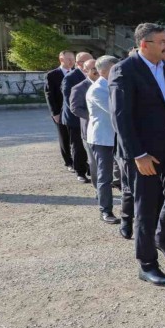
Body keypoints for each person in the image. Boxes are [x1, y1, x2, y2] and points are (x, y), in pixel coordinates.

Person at [109, 23, 165, 286]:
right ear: (145, 44)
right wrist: (138, 154)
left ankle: (162, 238)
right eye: (162, 41)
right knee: (147, 206)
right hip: (144, 151)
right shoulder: (124, 70)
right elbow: (120, 117)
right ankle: (147, 264)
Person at [87, 55, 121, 224]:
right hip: (102, 139)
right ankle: (105, 210)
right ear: (103, 71)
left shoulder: (114, 85)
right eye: (115, 69)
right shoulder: (97, 90)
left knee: (123, 174)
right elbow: (115, 111)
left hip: (117, 136)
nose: (119, 72)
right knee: (105, 177)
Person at [62, 52, 94, 183]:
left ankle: (92, 169)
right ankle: (80, 172)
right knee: (78, 145)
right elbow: (70, 101)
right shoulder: (71, 78)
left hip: (92, 118)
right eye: (88, 62)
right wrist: (87, 115)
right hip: (76, 118)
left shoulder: (97, 76)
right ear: (80, 64)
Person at [70, 58, 99, 187]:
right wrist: (94, 116)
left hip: (108, 130)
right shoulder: (79, 88)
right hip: (90, 130)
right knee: (94, 162)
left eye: (98, 67)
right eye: (93, 69)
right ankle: (98, 187)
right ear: (85, 70)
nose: (97, 71)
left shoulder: (108, 84)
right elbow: (75, 108)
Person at [45, 51, 75, 171]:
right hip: (60, 111)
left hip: (75, 110)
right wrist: (55, 113)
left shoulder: (76, 73)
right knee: (64, 136)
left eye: (72, 59)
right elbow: (49, 95)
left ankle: (79, 161)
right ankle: (68, 162)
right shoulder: (52, 75)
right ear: (61, 59)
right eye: (68, 59)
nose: (71, 62)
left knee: (76, 138)